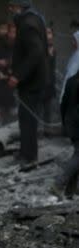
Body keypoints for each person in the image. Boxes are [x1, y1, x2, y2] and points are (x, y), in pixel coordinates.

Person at [7, 0, 49, 166]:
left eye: (12, 7)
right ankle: (26, 152)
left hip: (32, 82)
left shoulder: (28, 24)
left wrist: (18, 76)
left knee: (28, 120)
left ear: (20, 7)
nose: (10, 10)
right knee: (25, 118)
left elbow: (35, 53)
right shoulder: (34, 19)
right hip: (33, 80)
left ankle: (29, 156)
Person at [50, 31, 79, 198]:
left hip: (70, 122)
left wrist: (65, 123)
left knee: (77, 153)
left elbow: (64, 105)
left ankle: (71, 190)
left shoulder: (71, 80)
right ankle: (58, 184)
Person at [0, 21, 15, 124]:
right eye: (2, 29)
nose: (4, 31)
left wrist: (8, 63)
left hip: (10, 77)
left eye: (6, 29)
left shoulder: (13, 44)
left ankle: (7, 120)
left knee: (8, 101)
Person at [41, 26, 57, 135]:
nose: (48, 36)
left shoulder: (53, 50)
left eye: (50, 33)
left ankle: (47, 131)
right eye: (46, 33)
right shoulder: (39, 48)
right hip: (39, 85)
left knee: (48, 110)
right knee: (36, 110)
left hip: (49, 85)